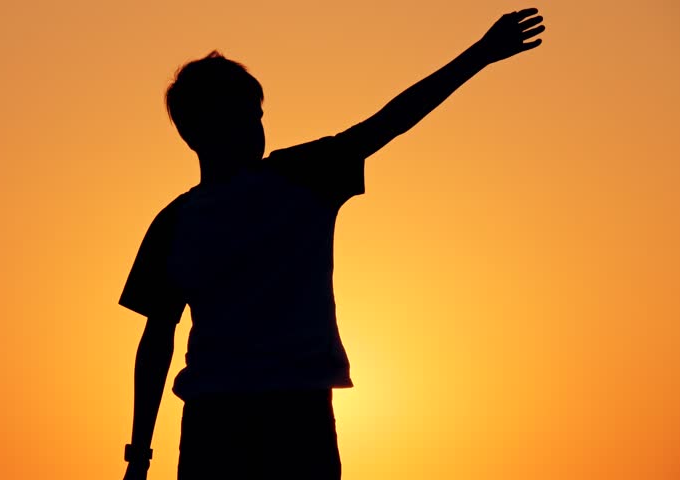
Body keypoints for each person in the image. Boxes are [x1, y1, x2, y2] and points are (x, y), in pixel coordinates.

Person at [118, 8, 545, 480]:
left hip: (285, 414)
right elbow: (156, 340)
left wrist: (481, 54)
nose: (255, 128)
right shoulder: (185, 219)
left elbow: (394, 119)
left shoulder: (296, 176)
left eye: (256, 116)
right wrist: (139, 455)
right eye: (242, 116)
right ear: (194, 131)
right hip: (228, 419)